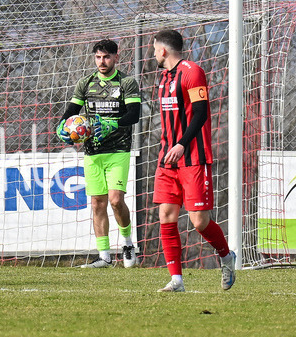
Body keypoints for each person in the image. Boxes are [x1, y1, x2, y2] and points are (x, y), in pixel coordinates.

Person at [151, 29, 236, 292]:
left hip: (193, 158)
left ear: (163, 51)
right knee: (166, 215)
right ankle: (176, 279)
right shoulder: (164, 78)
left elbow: (200, 113)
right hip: (167, 158)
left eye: (154, 49)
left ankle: (226, 256)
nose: (153, 54)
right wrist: (170, 146)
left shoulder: (192, 72)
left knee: (199, 221)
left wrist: (182, 144)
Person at [55, 39, 142, 269]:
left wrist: (113, 125)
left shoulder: (127, 83)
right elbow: (72, 111)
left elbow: (134, 115)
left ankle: (127, 243)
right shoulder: (86, 83)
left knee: (115, 200)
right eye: (98, 57)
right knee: (97, 203)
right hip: (93, 151)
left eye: (106, 57)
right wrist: (62, 125)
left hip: (118, 150)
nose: (102, 62)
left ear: (116, 57)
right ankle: (104, 256)